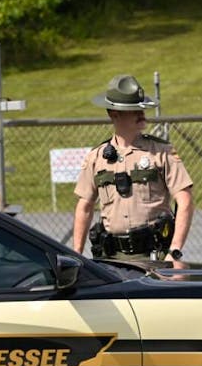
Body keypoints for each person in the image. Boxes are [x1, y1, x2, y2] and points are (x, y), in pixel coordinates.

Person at [73, 74, 194, 262]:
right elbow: (85, 206)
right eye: (134, 110)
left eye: (141, 108)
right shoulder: (96, 157)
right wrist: (77, 255)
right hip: (111, 257)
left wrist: (174, 250)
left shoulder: (161, 152)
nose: (141, 114)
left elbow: (185, 200)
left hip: (154, 255)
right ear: (114, 114)